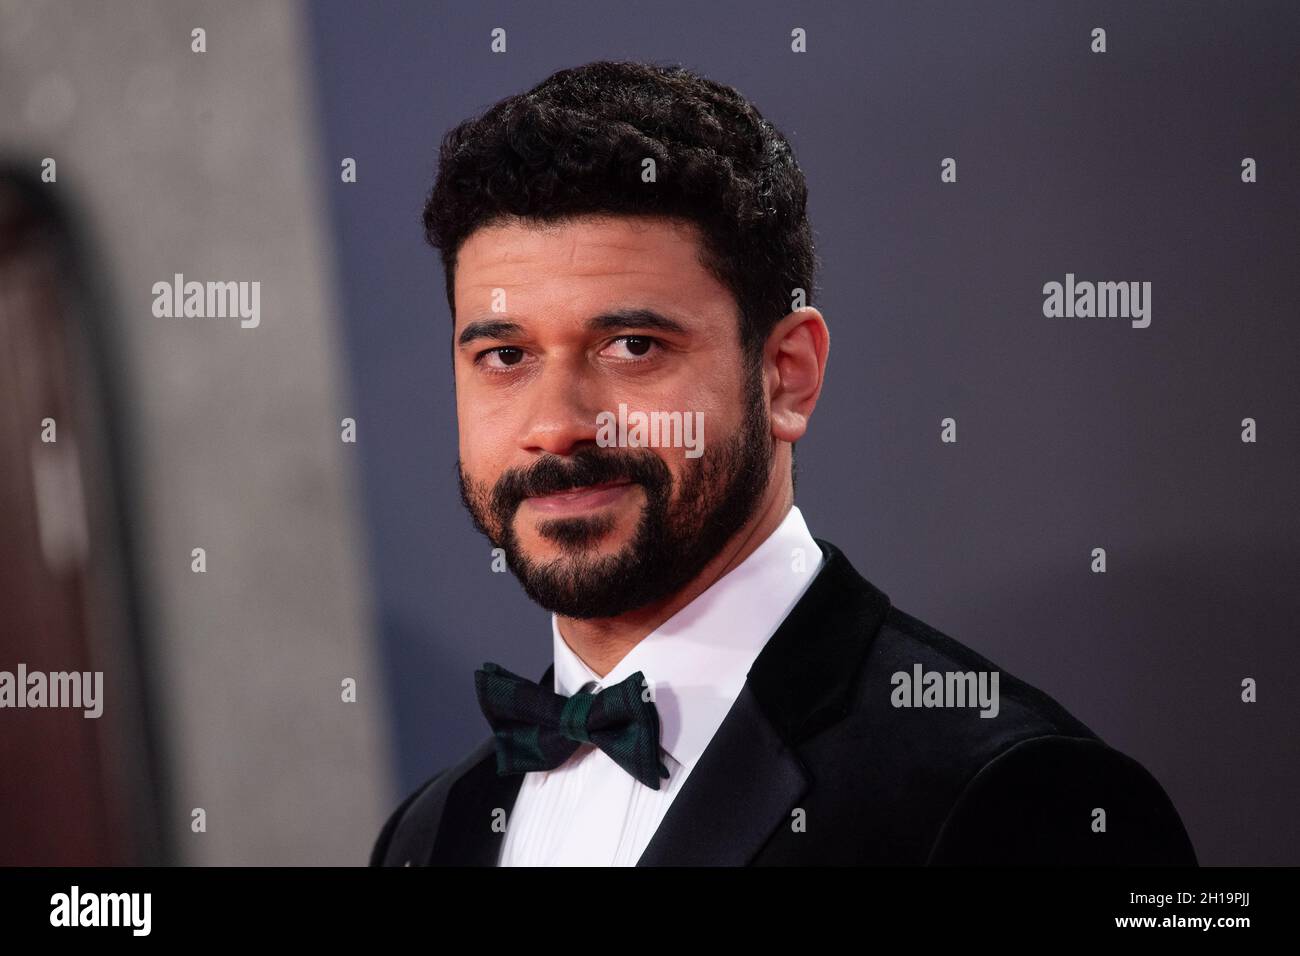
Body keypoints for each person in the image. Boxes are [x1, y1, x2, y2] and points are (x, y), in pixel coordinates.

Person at [370, 60, 1196, 866]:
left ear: (785, 376)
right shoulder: (427, 833)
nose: (555, 426)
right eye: (504, 356)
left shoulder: (1016, 798)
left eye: (632, 347)